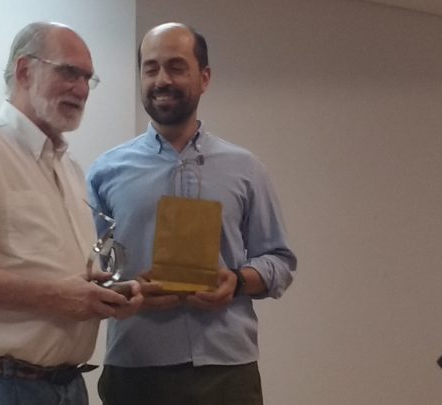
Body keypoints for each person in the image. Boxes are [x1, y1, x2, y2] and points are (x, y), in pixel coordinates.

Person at [0, 21, 142, 405]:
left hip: (66, 386)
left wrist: (100, 294)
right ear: (24, 71)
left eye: (88, 78)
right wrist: (56, 296)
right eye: (69, 72)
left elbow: (46, 274)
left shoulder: (69, 169)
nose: (81, 89)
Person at [87, 22, 297, 405]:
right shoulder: (104, 172)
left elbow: (280, 262)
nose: (161, 80)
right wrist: (130, 291)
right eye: (151, 68)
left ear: (205, 77)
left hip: (226, 372)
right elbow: (89, 275)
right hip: (135, 368)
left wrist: (236, 281)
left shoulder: (246, 169)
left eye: (176, 67)